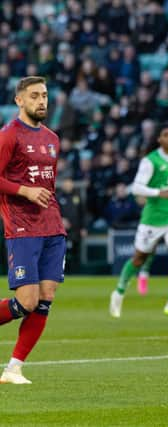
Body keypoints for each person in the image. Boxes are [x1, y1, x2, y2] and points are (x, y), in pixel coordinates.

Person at [0, 76, 66, 384]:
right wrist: (24, 191)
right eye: (35, 96)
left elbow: (48, 185)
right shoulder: (9, 135)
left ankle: (14, 368)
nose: (42, 101)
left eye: (44, 95)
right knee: (25, 302)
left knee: (45, 297)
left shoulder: (52, 138)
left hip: (52, 226)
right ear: (19, 100)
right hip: (22, 226)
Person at [109, 122, 168, 319]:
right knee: (139, 259)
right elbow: (136, 188)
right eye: (166, 135)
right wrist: (158, 192)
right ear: (159, 139)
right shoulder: (150, 161)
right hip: (152, 221)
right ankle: (118, 292)